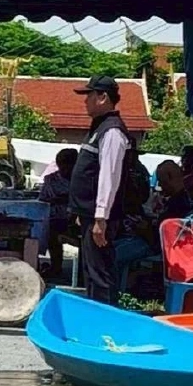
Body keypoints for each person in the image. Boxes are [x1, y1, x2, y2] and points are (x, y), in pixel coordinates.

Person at [68, 75, 133, 305]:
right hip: (90, 215)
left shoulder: (112, 132)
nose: (85, 102)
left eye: (89, 96)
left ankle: (106, 327)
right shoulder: (99, 128)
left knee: (101, 275)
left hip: (102, 219)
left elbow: (109, 176)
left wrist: (100, 217)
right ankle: (95, 322)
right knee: (92, 274)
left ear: (103, 97)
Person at [115, 160, 193, 291]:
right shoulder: (181, 200)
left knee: (115, 254)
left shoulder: (179, 204)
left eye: (162, 181)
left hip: (155, 245)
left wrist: (143, 227)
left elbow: (163, 236)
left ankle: (114, 292)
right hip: (155, 241)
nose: (160, 186)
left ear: (170, 178)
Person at [39, 147, 78, 278]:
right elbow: (44, 198)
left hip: (73, 223)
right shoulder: (51, 179)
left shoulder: (80, 181)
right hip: (56, 220)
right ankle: (56, 266)